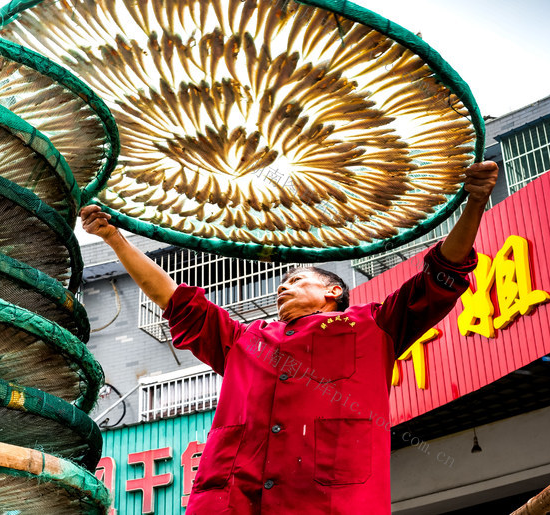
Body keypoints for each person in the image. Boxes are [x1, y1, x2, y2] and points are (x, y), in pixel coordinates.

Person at [81, 161, 499, 514]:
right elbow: (175, 300)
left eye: (297, 279)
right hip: (229, 502)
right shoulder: (243, 341)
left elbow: (441, 275)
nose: (283, 287)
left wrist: (475, 203)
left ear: (332, 291)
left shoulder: (375, 326)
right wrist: (114, 237)